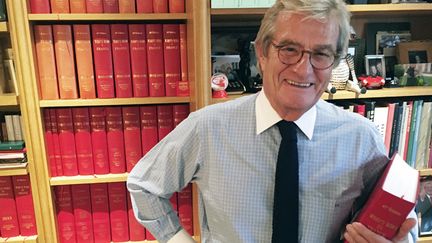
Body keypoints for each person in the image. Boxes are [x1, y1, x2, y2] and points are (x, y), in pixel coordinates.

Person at [127, 0, 418, 242]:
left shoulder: (361, 138)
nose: (303, 70)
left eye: (321, 54)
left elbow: (402, 218)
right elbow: (144, 185)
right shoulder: (207, 127)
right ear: (262, 53)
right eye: (289, 49)